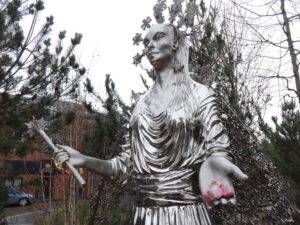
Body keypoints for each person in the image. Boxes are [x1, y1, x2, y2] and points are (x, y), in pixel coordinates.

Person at [55, 23, 248, 225]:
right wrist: (84, 159)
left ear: (175, 44)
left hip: (187, 215)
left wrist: (215, 161)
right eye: (146, 42)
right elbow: (123, 166)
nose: (149, 45)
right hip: (145, 216)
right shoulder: (140, 107)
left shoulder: (201, 95)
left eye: (158, 37)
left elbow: (218, 148)